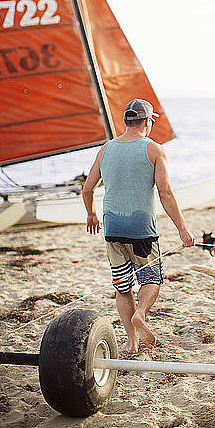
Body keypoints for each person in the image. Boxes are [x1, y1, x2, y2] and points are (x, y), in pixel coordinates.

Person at [82, 98, 195, 352]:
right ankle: (141, 313)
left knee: (122, 288)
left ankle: (132, 342)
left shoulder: (106, 149)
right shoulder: (154, 149)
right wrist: (182, 229)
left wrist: (91, 214)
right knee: (151, 278)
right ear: (147, 122)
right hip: (142, 230)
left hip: (112, 229)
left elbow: (88, 188)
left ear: (126, 121)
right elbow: (165, 192)